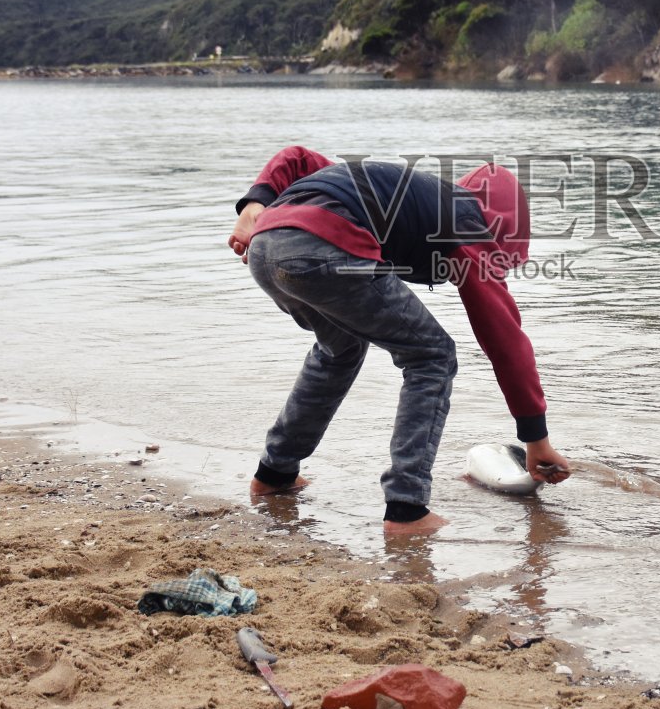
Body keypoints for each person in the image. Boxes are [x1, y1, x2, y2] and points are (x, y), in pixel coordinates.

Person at [228, 146, 571, 536]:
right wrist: (535, 437)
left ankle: (274, 474)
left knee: (339, 348)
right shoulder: (472, 224)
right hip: (324, 244)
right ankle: (406, 510)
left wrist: (255, 204)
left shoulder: (414, 195)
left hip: (266, 246)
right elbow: (504, 341)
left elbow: (297, 158)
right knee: (432, 356)